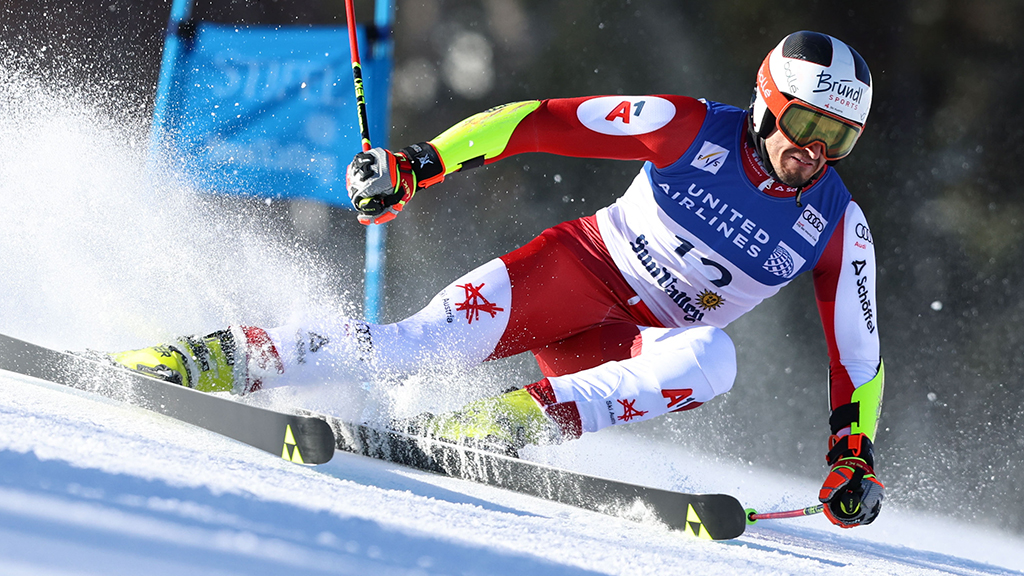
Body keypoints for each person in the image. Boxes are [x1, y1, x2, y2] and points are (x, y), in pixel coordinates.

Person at [111, 31, 885, 528]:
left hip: (628, 344)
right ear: (766, 103)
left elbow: (859, 354)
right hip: (572, 273)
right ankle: (218, 357)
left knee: (713, 357)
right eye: (805, 123)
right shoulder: (684, 125)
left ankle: (501, 424)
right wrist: (418, 166)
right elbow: (537, 119)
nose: (815, 150)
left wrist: (853, 454)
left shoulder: (838, 226)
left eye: (839, 137)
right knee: (408, 346)